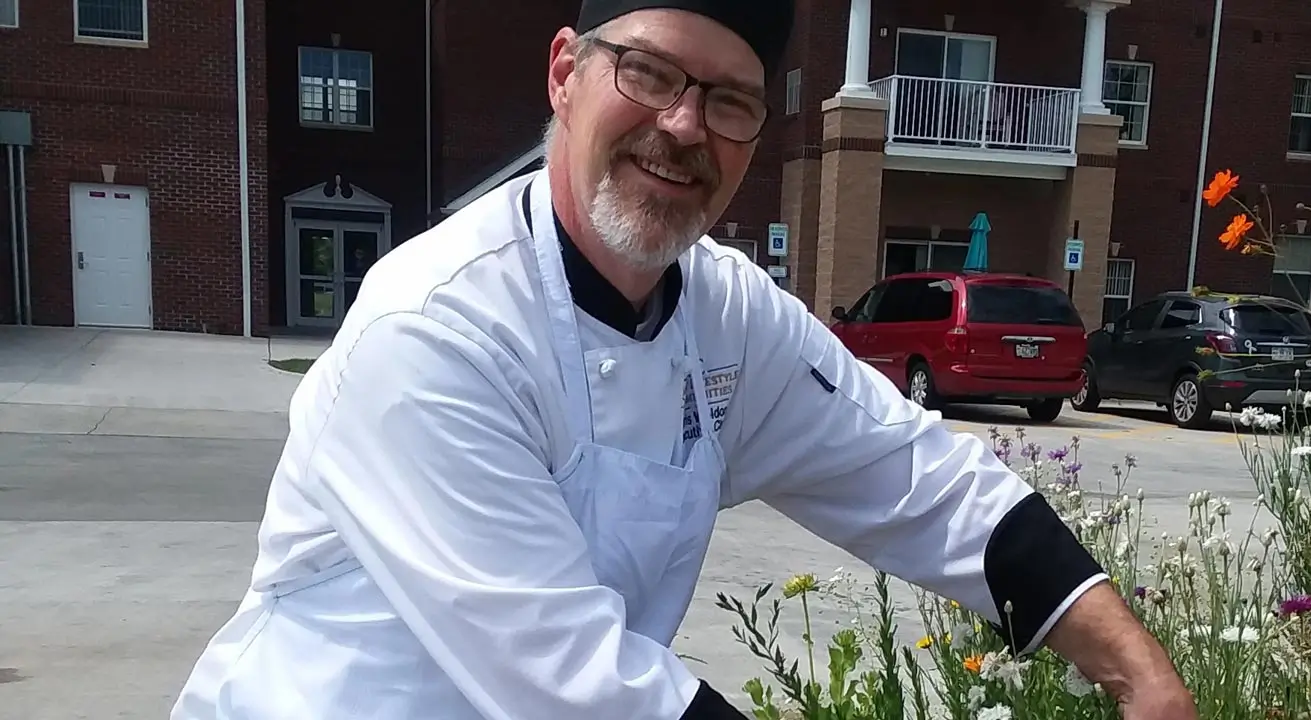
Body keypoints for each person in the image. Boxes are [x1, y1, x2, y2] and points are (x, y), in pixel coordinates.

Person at [171, 1, 1198, 717]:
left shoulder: (728, 308)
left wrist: (1136, 671)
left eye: (731, 101)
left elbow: (921, 479)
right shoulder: (437, 326)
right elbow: (571, 683)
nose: (682, 126)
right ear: (566, 74)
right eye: (649, 73)